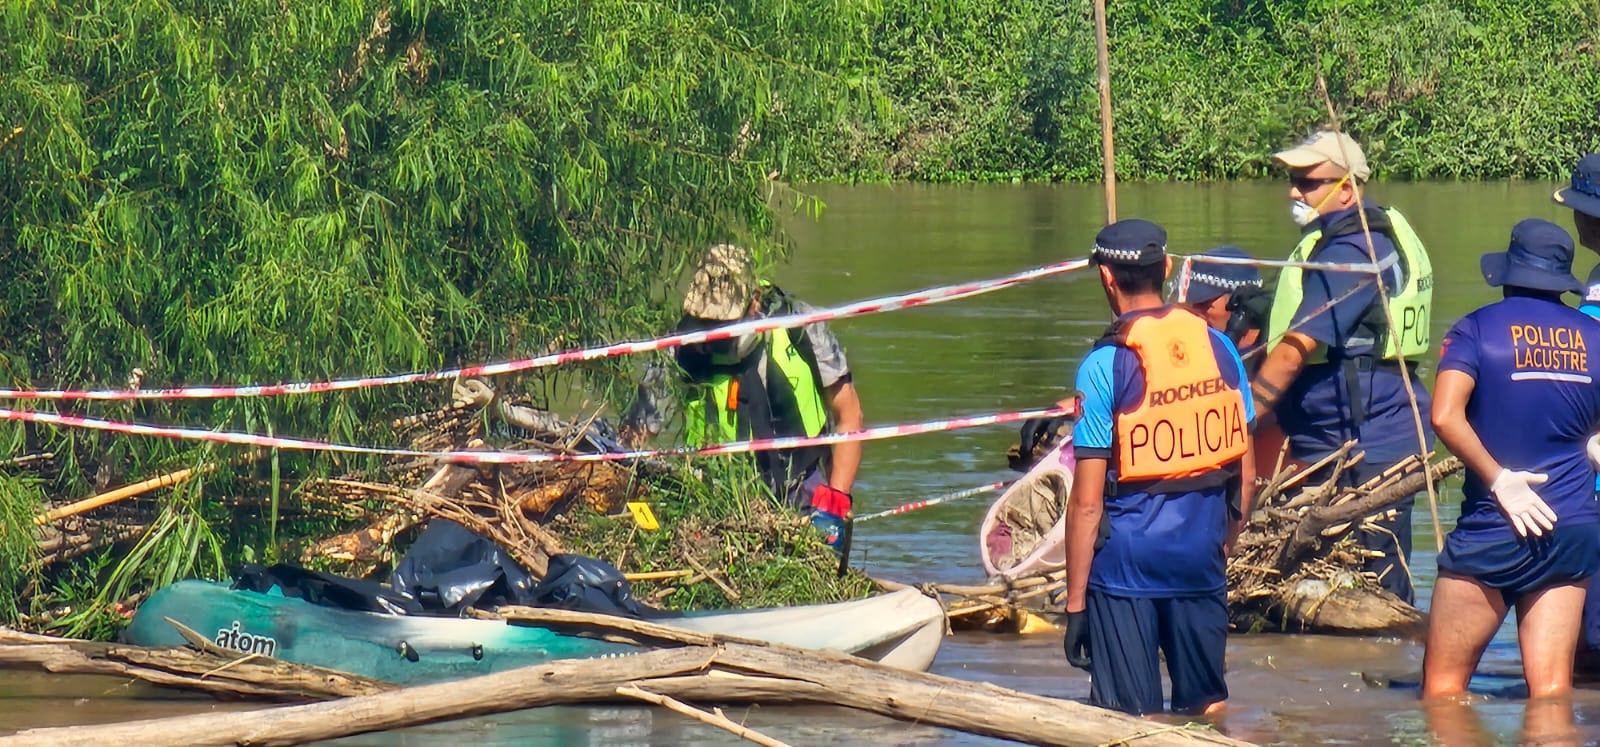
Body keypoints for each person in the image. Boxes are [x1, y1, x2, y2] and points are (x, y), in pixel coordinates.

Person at [1060, 219, 1256, 716]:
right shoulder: (1220, 347)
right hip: (1200, 557)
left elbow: (1086, 504)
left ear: (1106, 277)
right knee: (1208, 708)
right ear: (1167, 269)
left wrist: (1076, 605)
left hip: (1126, 568)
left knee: (1129, 720)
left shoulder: (1104, 364)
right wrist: (1220, 549)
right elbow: (1245, 474)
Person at [1254, 130, 1435, 604]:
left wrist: (1244, 415)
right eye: (1293, 180)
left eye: (1309, 182)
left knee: (1375, 582)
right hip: (1354, 428)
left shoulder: (1354, 251)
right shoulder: (1352, 237)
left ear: (1348, 189)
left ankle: (1385, 669)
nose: (1295, 191)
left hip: (1362, 439)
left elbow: (1296, 347)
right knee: (1335, 578)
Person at [1423, 218, 1600, 700]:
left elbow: (1443, 415)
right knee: (1551, 693)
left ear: (1507, 272)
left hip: (1495, 526)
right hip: (1571, 526)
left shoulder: (1477, 330)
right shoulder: (1594, 335)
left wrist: (1501, 479)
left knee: (1443, 693)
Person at [672, 244, 865, 552]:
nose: (715, 330)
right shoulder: (679, 346)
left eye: (724, 320)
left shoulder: (799, 326)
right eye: (708, 320)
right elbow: (636, 433)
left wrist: (834, 505)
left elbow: (849, 415)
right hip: (715, 505)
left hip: (802, 493)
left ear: (754, 302)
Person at [1173, 245, 1269, 352]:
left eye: (1205, 304)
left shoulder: (1275, 351)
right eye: (1193, 303)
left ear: (1239, 303)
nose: (1195, 312)